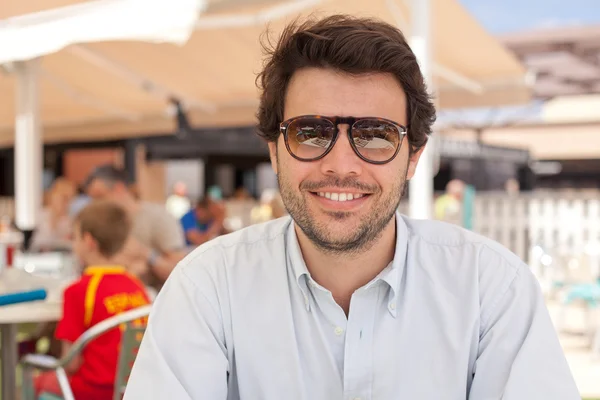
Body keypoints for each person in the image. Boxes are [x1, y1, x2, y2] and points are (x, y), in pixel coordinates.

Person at [124, 15, 579, 399]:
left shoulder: (490, 288)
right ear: (274, 151)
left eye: (376, 135)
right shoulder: (208, 286)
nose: (341, 165)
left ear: (414, 156)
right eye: (310, 132)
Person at [35, 200, 150, 400]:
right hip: (132, 389)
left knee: (38, 381)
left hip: (91, 391)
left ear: (88, 241)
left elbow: (70, 364)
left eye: (75, 237)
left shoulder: (79, 291)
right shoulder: (137, 286)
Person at [84, 165, 186, 288]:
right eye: (93, 199)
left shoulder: (157, 217)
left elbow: (181, 271)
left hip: (153, 299)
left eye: (100, 197)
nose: (96, 204)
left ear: (119, 189)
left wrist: (147, 256)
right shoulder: (101, 223)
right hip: (112, 295)